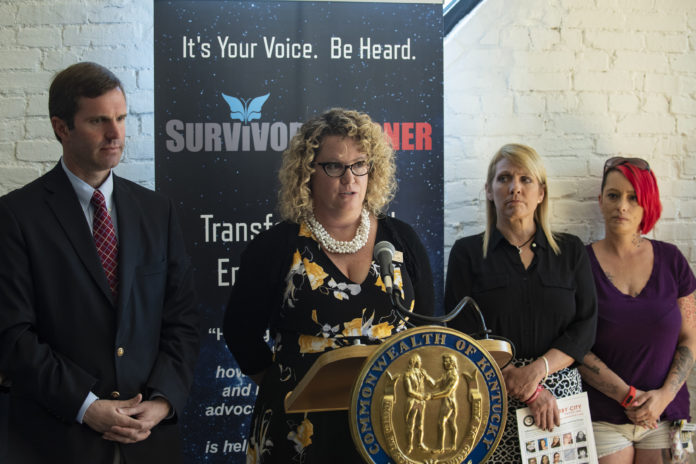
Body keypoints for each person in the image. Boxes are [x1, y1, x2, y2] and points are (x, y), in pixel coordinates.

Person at [0, 62, 200, 464]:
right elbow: (12, 335)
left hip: (150, 441)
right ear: (61, 127)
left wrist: (161, 401)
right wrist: (85, 405)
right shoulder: (16, 216)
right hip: (56, 440)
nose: (115, 134)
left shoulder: (156, 211)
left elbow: (183, 320)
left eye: (121, 118)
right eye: (98, 121)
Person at [223, 108, 435, 463]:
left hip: (390, 422)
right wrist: (291, 386)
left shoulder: (402, 240)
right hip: (298, 428)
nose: (349, 178)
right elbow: (240, 332)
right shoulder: (275, 246)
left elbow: (427, 325)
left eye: (359, 165)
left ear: (373, 169)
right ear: (308, 172)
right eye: (334, 166)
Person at [444, 143, 597, 463]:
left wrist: (539, 371)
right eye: (504, 179)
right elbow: (460, 330)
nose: (515, 187)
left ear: (541, 192)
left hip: (559, 398)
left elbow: (586, 324)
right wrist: (525, 384)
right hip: (492, 392)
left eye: (526, 179)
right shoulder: (467, 253)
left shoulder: (570, 251)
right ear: (488, 190)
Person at [578, 157, 696, 464]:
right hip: (602, 417)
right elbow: (572, 343)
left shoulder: (672, 261)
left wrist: (663, 397)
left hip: (667, 416)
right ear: (600, 200)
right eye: (614, 196)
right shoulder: (578, 264)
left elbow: (690, 338)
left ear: (647, 204)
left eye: (633, 198)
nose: (622, 206)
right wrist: (627, 397)